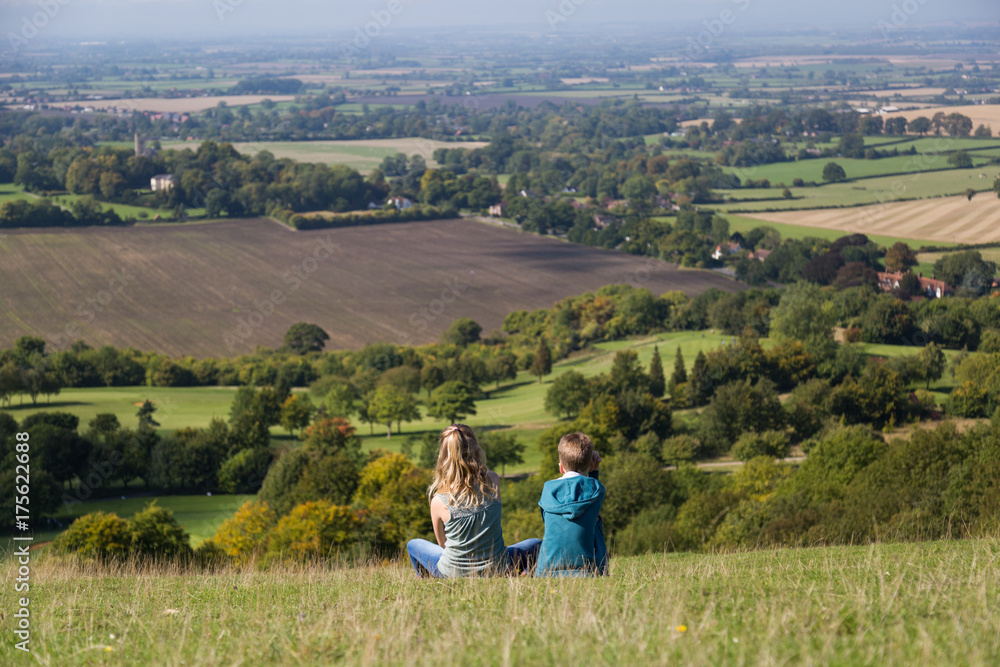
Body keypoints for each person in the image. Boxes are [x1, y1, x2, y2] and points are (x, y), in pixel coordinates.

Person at [406, 424, 541, 577]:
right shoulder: (493, 480)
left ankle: (428, 582)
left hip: (452, 573)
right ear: (475, 449)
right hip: (498, 568)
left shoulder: (438, 500)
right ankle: (524, 577)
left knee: (413, 545)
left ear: (443, 456)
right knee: (535, 543)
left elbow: (443, 544)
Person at [534, 432, 608, 577]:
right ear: (591, 465)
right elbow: (593, 490)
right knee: (596, 520)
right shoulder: (597, 489)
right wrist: (595, 470)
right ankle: (600, 569)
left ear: (561, 468)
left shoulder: (547, 490)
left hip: (546, 571)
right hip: (587, 571)